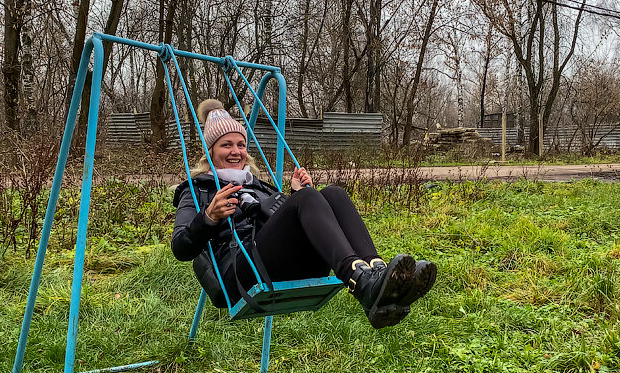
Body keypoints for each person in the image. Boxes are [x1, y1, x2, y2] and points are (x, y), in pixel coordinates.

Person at [171, 99, 436, 328]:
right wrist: (209, 217)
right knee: (309, 197)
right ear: (210, 151)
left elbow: (280, 223)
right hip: (242, 272)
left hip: (278, 262)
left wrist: (297, 194)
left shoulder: (257, 185)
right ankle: (363, 284)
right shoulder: (197, 190)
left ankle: (378, 277)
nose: (236, 151)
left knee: (333, 193)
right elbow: (181, 248)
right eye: (226, 145)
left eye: (241, 144)